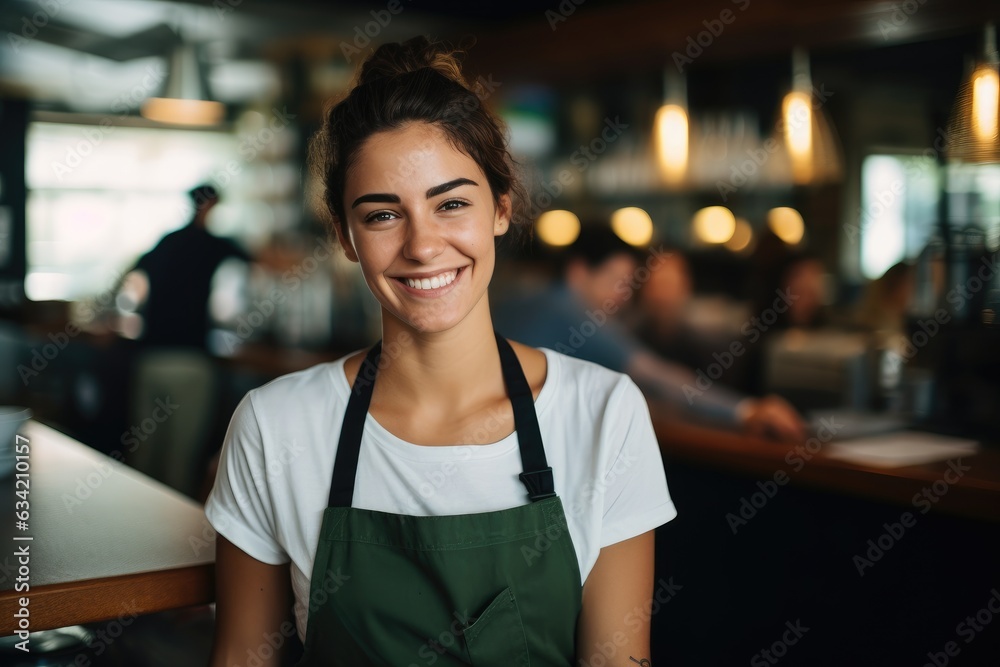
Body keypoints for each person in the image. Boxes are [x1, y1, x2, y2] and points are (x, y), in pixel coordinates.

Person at [206, 37, 675, 666]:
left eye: (451, 203)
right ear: (346, 237)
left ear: (501, 209)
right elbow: (242, 658)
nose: (423, 246)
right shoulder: (274, 426)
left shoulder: (603, 414)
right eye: (381, 216)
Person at [492, 225, 807, 441]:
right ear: (578, 272)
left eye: (629, 284)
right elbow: (654, 374)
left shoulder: (530, 300)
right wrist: (746, 411)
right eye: (615, 279)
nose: (623, 294)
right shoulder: (568, 311)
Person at [129, 184, 252, 350]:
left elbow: (136, 270)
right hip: (190, 347)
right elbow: (259, 260)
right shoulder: (213, 244)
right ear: (209, 205)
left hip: (153, 346)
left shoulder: (169, 241)